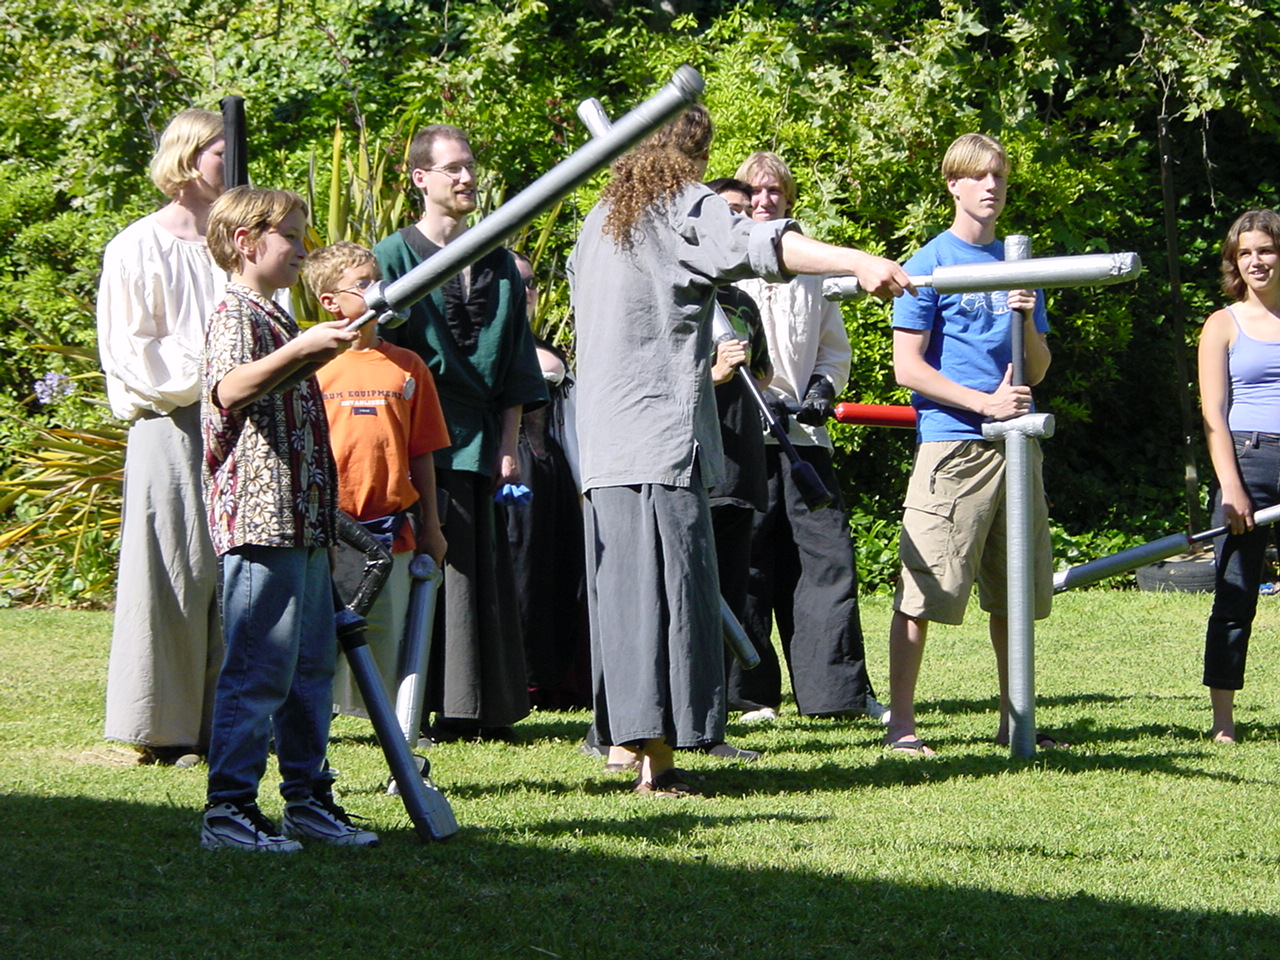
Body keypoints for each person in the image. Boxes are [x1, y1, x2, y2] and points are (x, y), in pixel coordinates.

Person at [570, 104, 911, 796]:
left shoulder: (600, 220)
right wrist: (858, 260)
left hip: (601, 444)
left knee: (625, 602)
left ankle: (622, 750)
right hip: (657, 443)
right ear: (691, 158)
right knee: (670, 599)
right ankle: (657, 766)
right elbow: (765, 247)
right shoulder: (681, 209)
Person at [199, 187, 375, 851]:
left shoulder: (272, 314)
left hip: (301, 521)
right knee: (259, 669)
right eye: (292, 236)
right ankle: (229, 810)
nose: (303, 249)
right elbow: (229, 389)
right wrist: (303, 349)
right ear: (247, 242)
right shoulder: (234, 312)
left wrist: (310, 348)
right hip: (260, 518)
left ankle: (308, 800)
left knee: (308, 672)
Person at [374, 124, 548, 743]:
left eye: (471, 165)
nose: (467, 177)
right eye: (453, 168)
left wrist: (508, 446)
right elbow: (377, 356)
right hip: (412, 435)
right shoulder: (392, 258)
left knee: (477, 572)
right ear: (421, 179)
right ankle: (409, 706)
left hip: (480, 438)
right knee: (421, 565)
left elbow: (517, 364)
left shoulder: (499, 261)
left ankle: (474, 707)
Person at [884, 133, 1053, 756]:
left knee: (1015, 593)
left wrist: (1025, 315)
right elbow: (907, 368)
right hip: (954, 447)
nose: (991, 187)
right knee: (924, 589)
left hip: (1017, 446)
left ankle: (1016, 722)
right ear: (953, 184)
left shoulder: (1019, 263)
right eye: (978, 176)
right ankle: (902, 726)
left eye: (999, 177)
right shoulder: (930, 263)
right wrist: (984, 405)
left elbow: (1038, 367)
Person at [733, 151, 887, 722]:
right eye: (754, 190)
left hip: (804, 440)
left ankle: (836, 694)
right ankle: (748, 695)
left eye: (774, 191)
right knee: (748, 565)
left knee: (828, 561)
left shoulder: (814, 268)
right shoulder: (724, 263)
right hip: (742, 437)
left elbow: (831, 347)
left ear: (789, 199)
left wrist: (823, 387)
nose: (764, 200)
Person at [97, 108, 227, 766]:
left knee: (233, 571)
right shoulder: (136, 247)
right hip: (170, 423)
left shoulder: (238, 246)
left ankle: (223, 723)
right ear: (188, 157)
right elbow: (131, 351)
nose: (228, 163)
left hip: (239, 421)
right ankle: (163, 726)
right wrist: (214, 373)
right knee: (172, 570)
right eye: (218, 152)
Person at [304, 241, 450, 719]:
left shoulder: (408, 366)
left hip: (391, 528)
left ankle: (390, 724)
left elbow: (422, 451)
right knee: (316, 633)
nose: (378, 290)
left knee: (386, 631)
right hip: (327, 529)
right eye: (363, 283)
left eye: (379, 280)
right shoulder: (311, 364)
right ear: (330, 301)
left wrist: (432, 525)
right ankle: (310, 718)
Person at [1197, 208, 1280, 743]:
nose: (1256, 261)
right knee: (1235, 597)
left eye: (1266, 250)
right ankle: (1223, 721)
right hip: (1248, 463)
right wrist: (1231, 486)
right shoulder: (1222, 324)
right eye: (1245, 252)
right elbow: (1213, 413)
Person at [505, 250, 591, 710]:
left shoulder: (546, 350)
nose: (526, 291)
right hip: (509, 472)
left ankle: (558, 679)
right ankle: (521, 680)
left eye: (531, 282)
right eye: (514, 281)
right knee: (518, 572)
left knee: (559, 573)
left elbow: (571, 423)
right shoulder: (487, 347)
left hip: (552, 473)